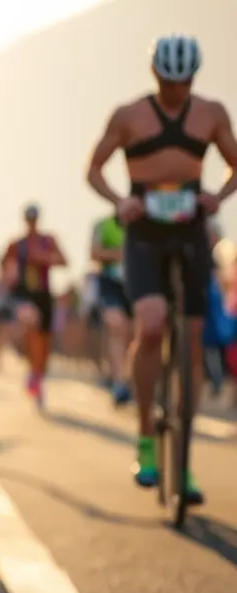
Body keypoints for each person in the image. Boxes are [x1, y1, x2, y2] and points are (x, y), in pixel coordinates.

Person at [85, 35, 237, 504]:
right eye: (170, 82)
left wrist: (218, 196)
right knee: (150, 325)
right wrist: (120, 202)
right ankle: (147, 435)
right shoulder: (129, 115)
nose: (177, 90)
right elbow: (94, 169)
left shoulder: (212, 113)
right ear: (156, 76)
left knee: (191, 341)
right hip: (145, 231)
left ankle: (184, 463)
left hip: (190, 227)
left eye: (185, 82)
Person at [2, 204, 66, 408]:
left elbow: (64, 260)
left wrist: (43, 258)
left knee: (44, 340)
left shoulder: (48, 241)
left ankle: (38, 374)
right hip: (24, 295)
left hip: (44, 294)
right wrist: (9, 275)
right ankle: (32, 369)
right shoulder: (16, 244)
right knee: (31, 324)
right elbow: (4, 265)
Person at [91, 212, 134, 404]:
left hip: (137, 284)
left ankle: (129, 379)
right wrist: (120, 255)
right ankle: (118, 382)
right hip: (110, 283)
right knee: (116, 327)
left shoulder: (143, 223)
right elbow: (94, 253)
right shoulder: (104, 225)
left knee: (133, 335)